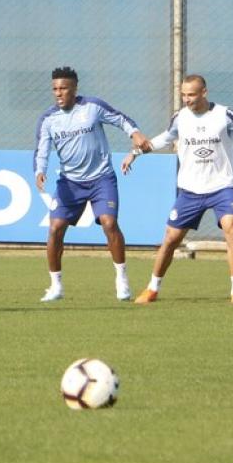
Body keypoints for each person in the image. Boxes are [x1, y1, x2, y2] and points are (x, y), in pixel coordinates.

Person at [122, 74, 233, 306]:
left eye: (191, 95)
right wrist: (135, 153)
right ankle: (152, 288)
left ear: (204, 93)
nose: (187, 99)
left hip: (221, 187)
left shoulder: (224, 115)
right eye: (183, 95)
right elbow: (164, 139)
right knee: (170, 239)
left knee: (232, 227)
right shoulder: (180, 117)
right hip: (190, 190)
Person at [34, 66, 151, 303]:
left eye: (63, 88)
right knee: (55, 228)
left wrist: (135, 134)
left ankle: (121, 278)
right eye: (55, 89)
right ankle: (55, 286)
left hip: (101, 178)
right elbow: (42, 149)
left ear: (74, 89)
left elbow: (120, 119)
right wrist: (39, 170)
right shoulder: (48, 119)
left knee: (109, 223)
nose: (58, 93)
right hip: (70, 182)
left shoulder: (92, 107)